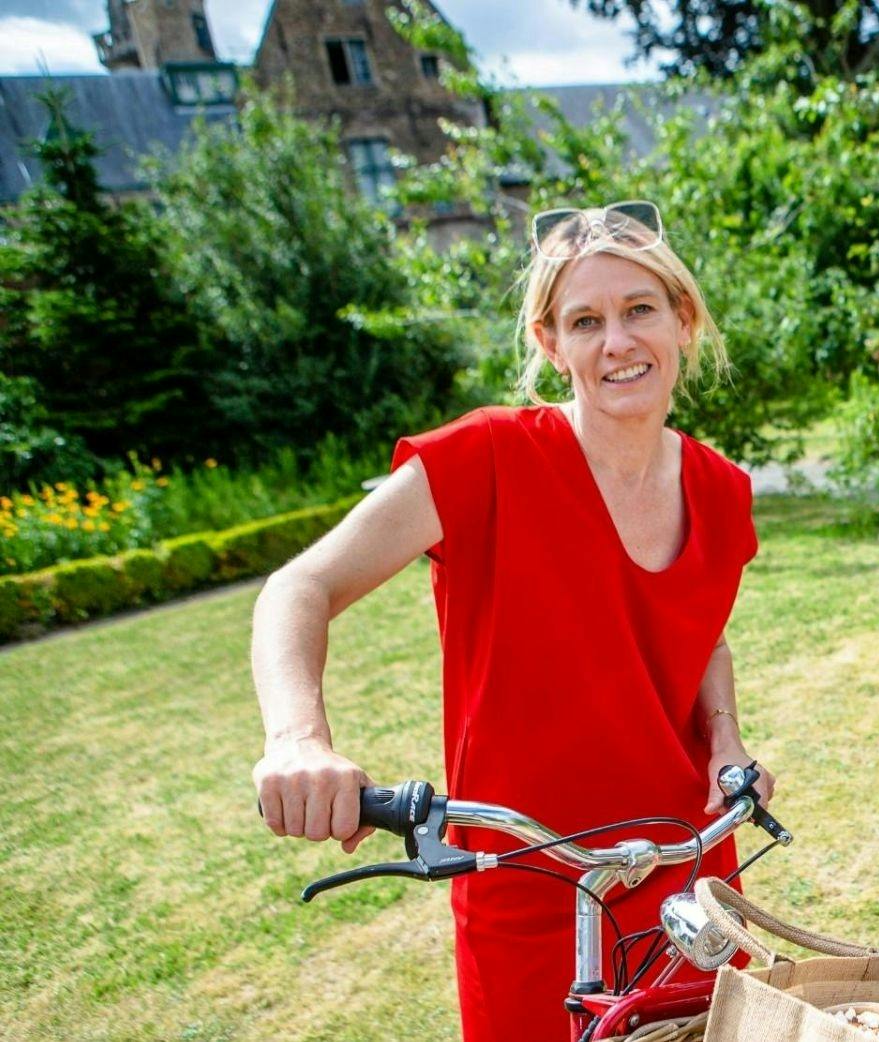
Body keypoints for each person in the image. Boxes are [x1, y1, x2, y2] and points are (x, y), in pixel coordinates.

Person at [248, 202, 772, 1042]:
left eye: (640, 309)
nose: (618, 342)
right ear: (549, 343)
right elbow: (299, 587)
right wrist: (298, 739)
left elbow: (699, 632)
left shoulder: (721, 490)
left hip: (686, 873)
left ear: (683, 319)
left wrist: (727, 739)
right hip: (528, 881)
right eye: (585, 320)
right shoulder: (485, 459)